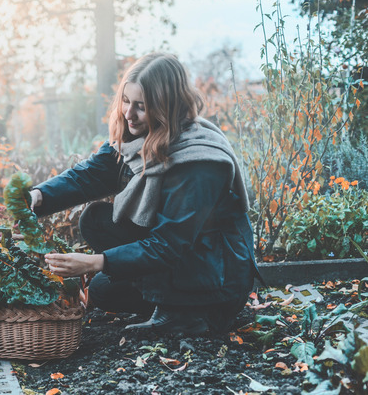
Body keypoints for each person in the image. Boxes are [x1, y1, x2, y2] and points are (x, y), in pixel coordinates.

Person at [31, 53, 258, 335]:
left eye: (141, 106)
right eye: (126, 101)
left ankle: (193, 314)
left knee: (105, 281)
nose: (128, 114)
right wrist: (37, 197)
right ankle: (168, 298)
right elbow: (90, 175)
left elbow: (169, 243)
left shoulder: (199, 160)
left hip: (217, 275)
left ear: (166, 106)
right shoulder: (139, 136)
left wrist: (94, 262)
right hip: (181, 260)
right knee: (101, 272)